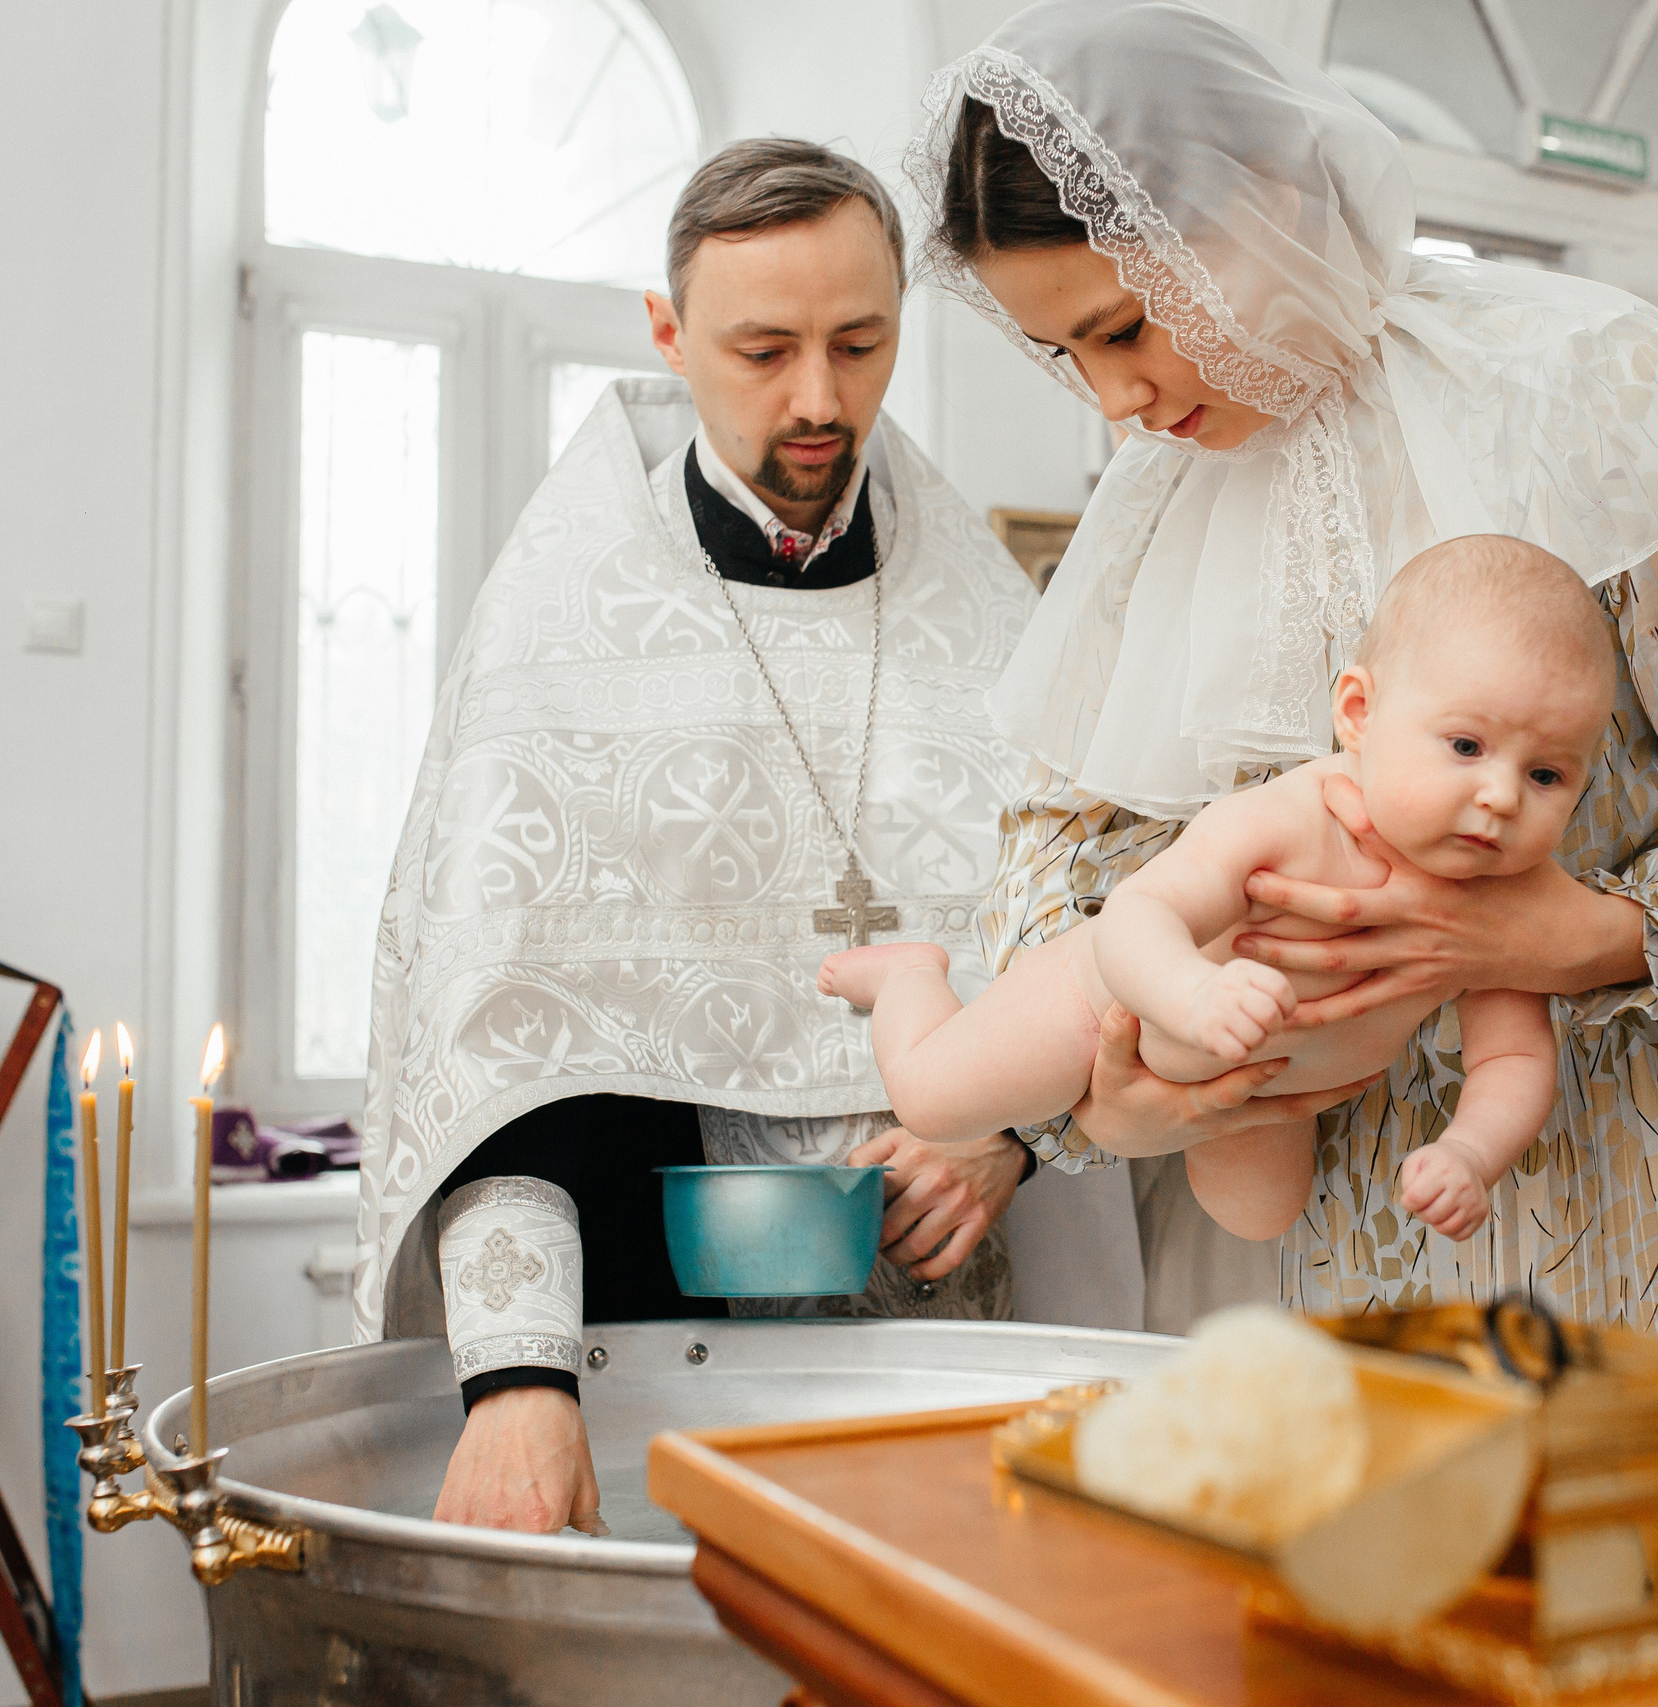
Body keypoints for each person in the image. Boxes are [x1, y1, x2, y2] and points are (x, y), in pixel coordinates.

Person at [912, 0, 1658, 1377]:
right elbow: (1058, 902)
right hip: (1307, 1257)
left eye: (1127, 324)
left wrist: (1531, 943)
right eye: (1066, 353)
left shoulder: (1595, 385)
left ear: (1255, 199)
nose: (1116, 400)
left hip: (1653, 1222)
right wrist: (1128, 1093)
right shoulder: (1152, 511)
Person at [354, 139, 1114, 1534]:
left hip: (939, 1343)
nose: (819, 401)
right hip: (644, 1342)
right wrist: (519, 1380)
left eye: (861, 343)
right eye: (763, 348)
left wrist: (1009, 1125)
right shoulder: (558, 624)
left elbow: (1096, 933)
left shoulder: (991, 624)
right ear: (668, 334)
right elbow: (503, 1039)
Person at [826, 537, 1613, 1246]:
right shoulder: (1294, 817)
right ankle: (910, 975)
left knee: (1260, 1217)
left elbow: (1513, 1054)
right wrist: (1194, 995)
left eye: (1547, 773)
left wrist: (1470, 1152)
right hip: (1105, 1000)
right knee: (932, 1098)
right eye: (1466, 746)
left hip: (1267, 1079)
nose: (1502, 796)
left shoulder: (1507, 898)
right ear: (1359, 714)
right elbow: (1138, 914)